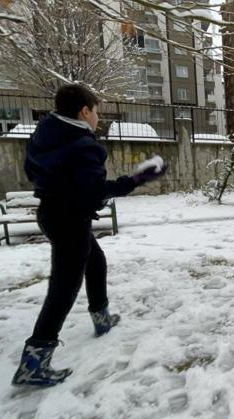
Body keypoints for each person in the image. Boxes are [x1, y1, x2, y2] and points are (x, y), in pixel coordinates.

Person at [12, 84, 167, 387]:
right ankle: (34, 362)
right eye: (97, 111)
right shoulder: (83, 145)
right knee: (63, 288)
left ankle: (101, 317)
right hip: (70, 218)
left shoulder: (44, 133)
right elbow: (96, 193)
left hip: (52, 213)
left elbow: (35, 172)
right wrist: (137, 178)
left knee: (95, 261)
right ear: (84, 111)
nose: (98, 118)